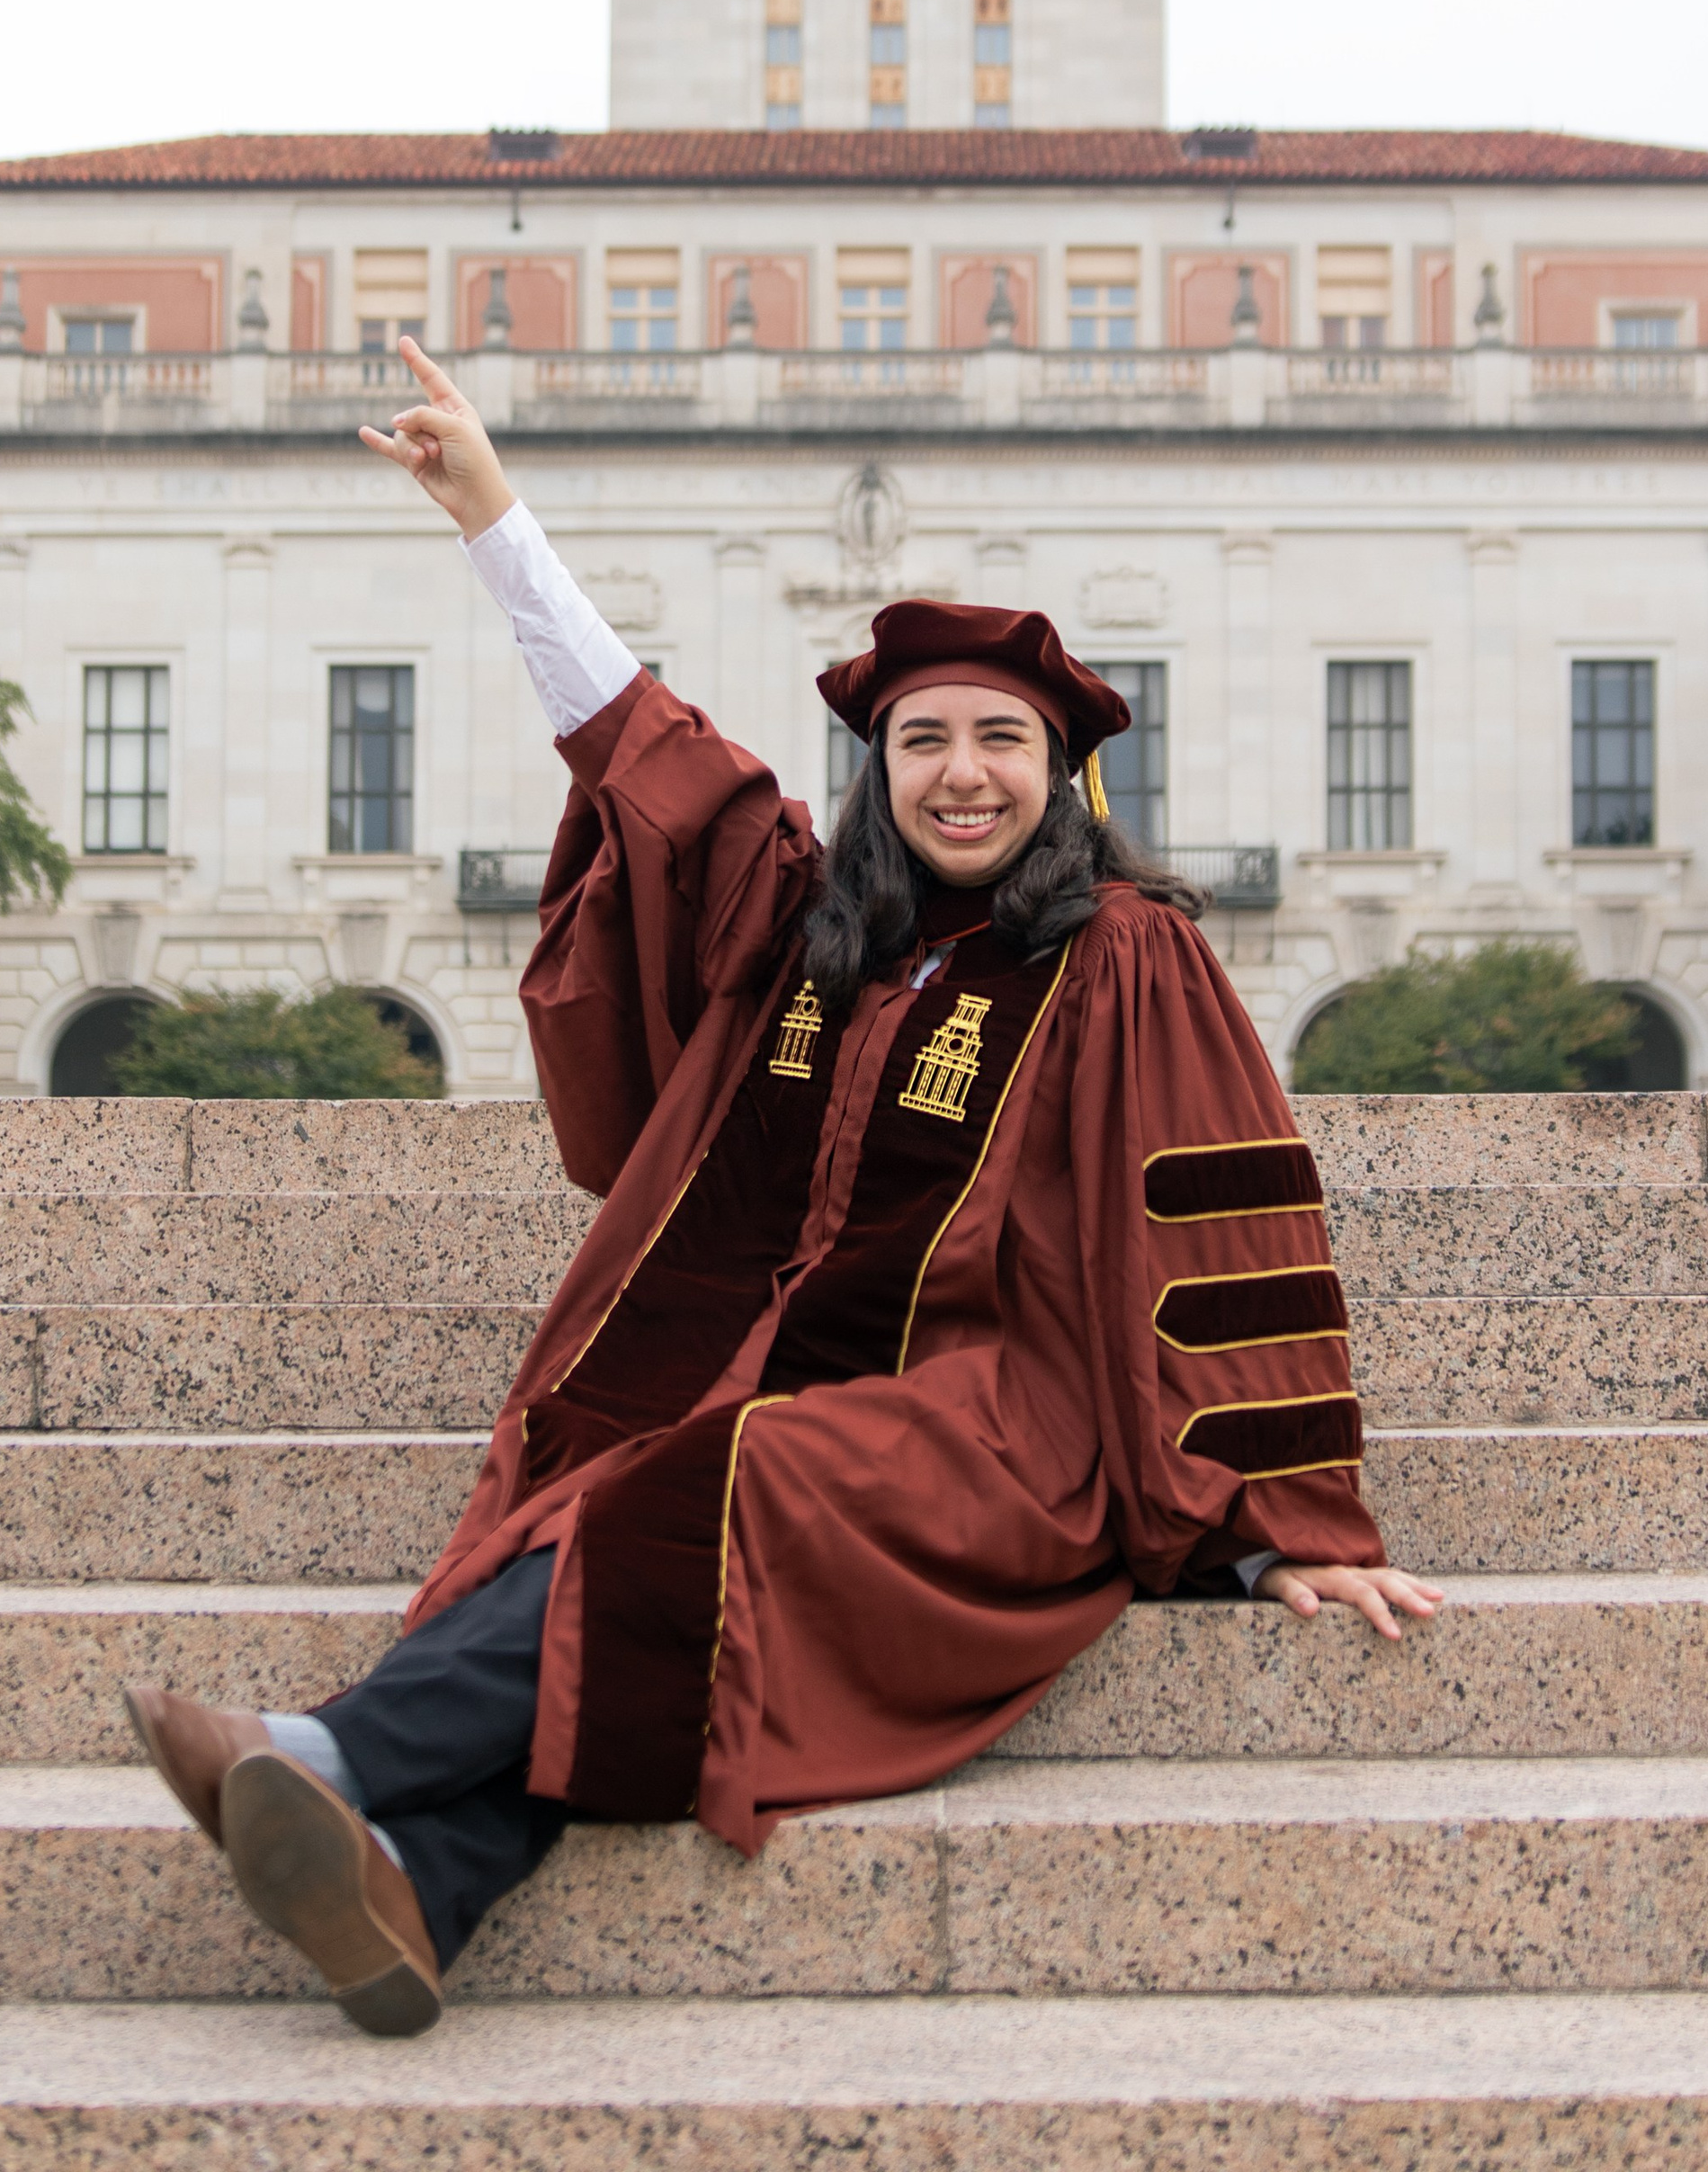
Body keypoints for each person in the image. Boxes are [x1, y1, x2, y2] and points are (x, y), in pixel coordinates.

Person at [127, 340, 1441, 2037]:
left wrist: (1278, 1525)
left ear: (1063, 773)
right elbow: (657, 770)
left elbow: (1228, 1235)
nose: (962, 772)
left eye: (998, 741)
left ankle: (333, 1753)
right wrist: (496, 526)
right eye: (921, 743)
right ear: (879, 770)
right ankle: (423, 1885)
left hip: (1004, 1427)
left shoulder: (1125, 959)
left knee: (700, 1495)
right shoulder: (820, 934)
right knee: (613, 1484)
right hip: (775, 1377)